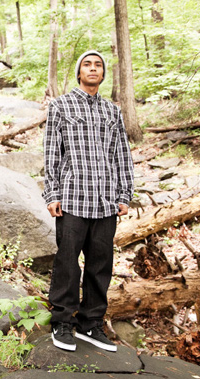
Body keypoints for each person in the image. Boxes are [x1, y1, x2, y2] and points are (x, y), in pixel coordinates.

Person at [42, 50, 134, 352]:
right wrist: (52, 194)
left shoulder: (112, 111)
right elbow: (52, 153)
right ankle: (62, 322)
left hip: (106, 200)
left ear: (103, 73)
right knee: (67, 263)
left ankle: (91, 324)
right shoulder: (61, 106)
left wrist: (124, 194)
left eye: (98, 65)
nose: (93, 69)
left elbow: (122, 155)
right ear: (79, 72)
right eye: (87, 65)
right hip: (72, 198)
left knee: (100, 265)